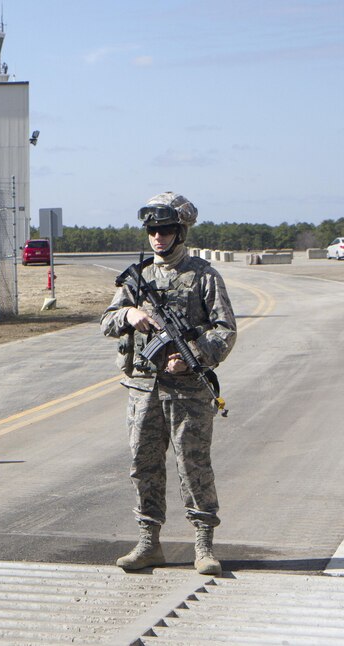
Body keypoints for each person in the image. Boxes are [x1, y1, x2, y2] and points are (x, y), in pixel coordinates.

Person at [100, 192, 237, 575]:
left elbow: (226, 329)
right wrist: (129, 313)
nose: (157, 238)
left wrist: (193, 353)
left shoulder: (204, 275)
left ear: (180, 232)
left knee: (194, 466)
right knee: (143, 465)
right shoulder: (138, 278)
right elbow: (106, 322)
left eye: (165, 230)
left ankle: (204, 545)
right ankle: (149, 543)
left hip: (188, 390)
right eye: (152, 232)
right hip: (143, 388)